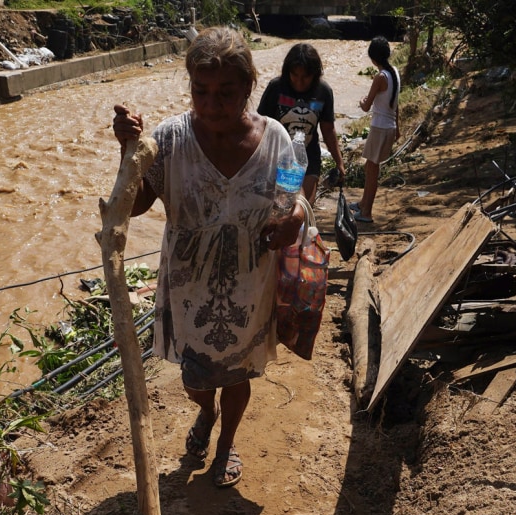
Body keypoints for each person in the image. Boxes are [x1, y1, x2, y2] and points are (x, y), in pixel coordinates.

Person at [111, 27, 305, 488]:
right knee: (196, 378)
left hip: (250, 278)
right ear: (190, 87)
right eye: (202, 91)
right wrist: (130, 152)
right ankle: (205, 412)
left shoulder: (277, 137)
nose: (212, 103)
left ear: (249, 88)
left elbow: (293, 195)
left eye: (226, 92)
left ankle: (226, 443)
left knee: (238, 371)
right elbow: (135, 205)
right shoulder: (171, 139)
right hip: (188, 285)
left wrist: (294, 218)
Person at [257, 43, 346, 204]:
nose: (299, 82)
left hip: (308, 158)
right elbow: (260, 126)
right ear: (287, 72)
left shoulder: (323, 92)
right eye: (294, 75)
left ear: (315, 74)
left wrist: (339, 162)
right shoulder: (276, 88)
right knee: (280, 208)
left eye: (305, 76)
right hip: (277, 158)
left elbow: (328, 129)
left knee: (303, 205)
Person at [355, 36, 401, 223]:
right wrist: (398, 127)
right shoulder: (394, 73)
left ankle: (366, 213)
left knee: (372, 171)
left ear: (373, 58)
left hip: (379, 127)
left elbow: (366, 106)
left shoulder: (380, 77)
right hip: (389, 126)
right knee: (370, 167)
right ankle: (362, 203)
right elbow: (396, 104)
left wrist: (361, 102)